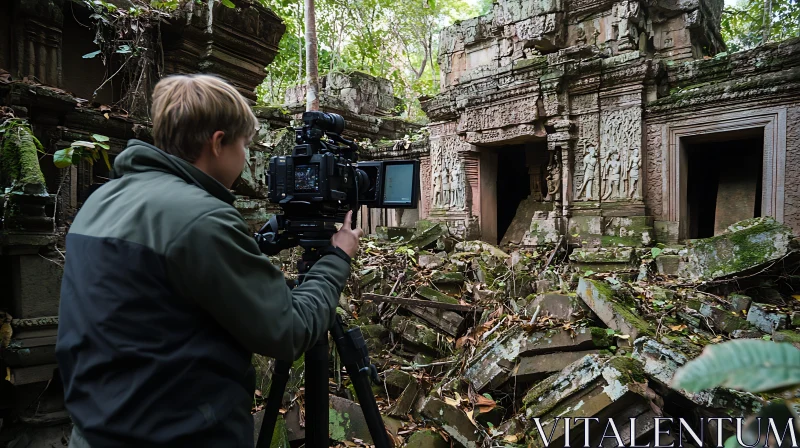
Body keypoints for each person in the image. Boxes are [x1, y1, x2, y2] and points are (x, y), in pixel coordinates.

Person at [55, 74, 363, 447]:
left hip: (97, 430)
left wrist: (257, 243)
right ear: (218, 143)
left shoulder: (102, 201)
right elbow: (290, 330)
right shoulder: (200, 218)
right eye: (245, 145)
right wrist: (336, 258)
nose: (246, 157)